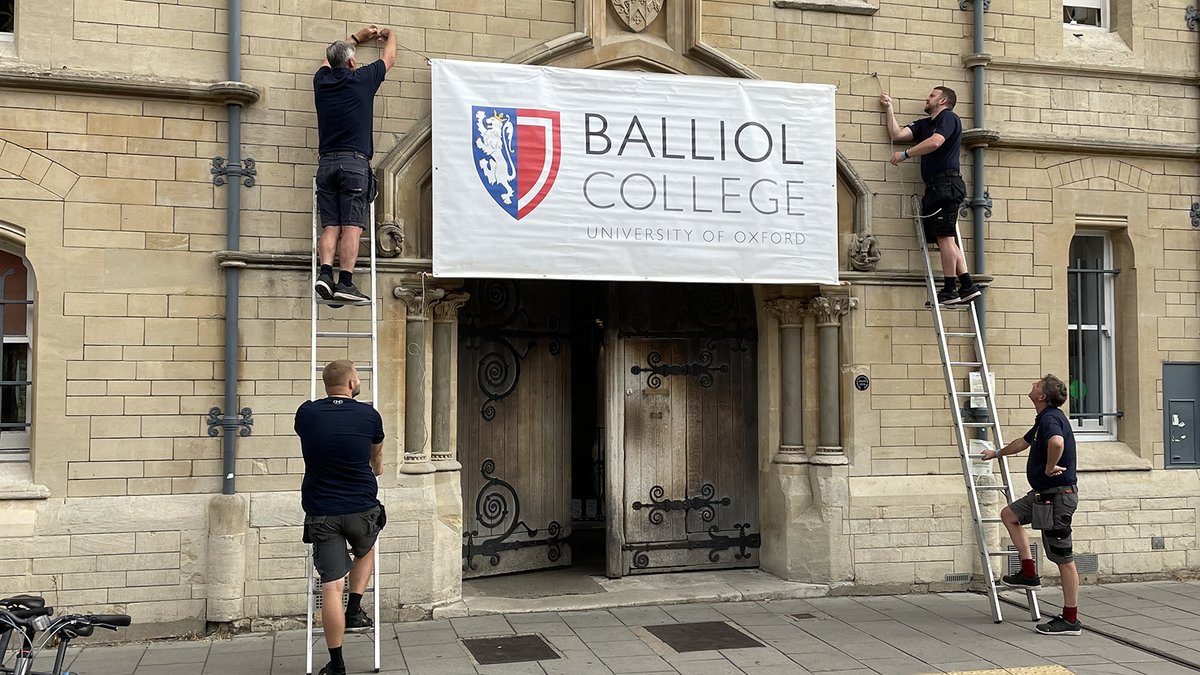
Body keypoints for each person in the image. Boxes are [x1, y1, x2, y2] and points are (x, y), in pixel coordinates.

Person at [295, 360, 386, 675]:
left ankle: (337, 665)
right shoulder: (369, 416)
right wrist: (375, 467)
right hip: (361, 508)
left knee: (330, 586)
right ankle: (356, 608)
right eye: (357, 378)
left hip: (323, 512)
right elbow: (377, 458)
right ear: (351, 384)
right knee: (367, 546)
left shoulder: (306, 414)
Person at [980, 374, 1081, 636]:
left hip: (1058, 496)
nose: (1032, 385)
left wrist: (1049, 467)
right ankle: (1028, 571)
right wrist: (997, 453)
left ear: (1042, 396)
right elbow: (1023, 443)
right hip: (1043, 494)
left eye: (1037, 384)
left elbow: (1056, 442)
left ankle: (1070, 619)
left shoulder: (1050, 419)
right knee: (1009, 514)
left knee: (1063, 558)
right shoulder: (1043, 420)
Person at [313, 24, 397, 305]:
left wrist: (355, 39)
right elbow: (389, 59)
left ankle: (325, 275)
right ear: (351, 62)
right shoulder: (361, 79)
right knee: (351, 226)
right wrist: (391, 34)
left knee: (331, 226)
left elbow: (328, 61)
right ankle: (346, 282)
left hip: (326, 165)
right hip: (354, 164)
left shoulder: (321, 82)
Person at [880, 86, 981, 306]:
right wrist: (890, 108)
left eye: (932, 96)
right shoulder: (925, 124)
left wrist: (906, 154)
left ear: (943, 100)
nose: (927, 98)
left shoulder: (949, 118)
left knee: (944, 238)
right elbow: (897, 134)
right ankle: (966, 285)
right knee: (947, 237)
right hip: (937, 187)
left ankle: (949, 289)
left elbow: (936, 142)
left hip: (946, 184)